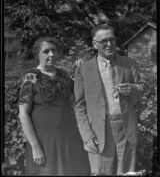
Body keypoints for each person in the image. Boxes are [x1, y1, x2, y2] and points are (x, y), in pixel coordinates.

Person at [74, 24, 144, 175]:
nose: (109, 44)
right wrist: (87, 136)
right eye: (104, 41)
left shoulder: (129, 64)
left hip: (126, 128)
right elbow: (79, 106)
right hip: (99, 131)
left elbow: (141, 89)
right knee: (101, 172)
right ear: (94, 44)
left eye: (112, 39)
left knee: (126, 172)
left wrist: (133, 89)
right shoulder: (83, 69)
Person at [18, 36, 90, 175]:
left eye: (54, 50)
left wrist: (81, 71)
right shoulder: (31, 77)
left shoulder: (63, 74)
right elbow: (23, 114)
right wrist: (35, 147)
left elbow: (79, 98)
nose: (51, 54)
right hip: (44, 142)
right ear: (37, 54)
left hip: (68, 139)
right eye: (46, 51)